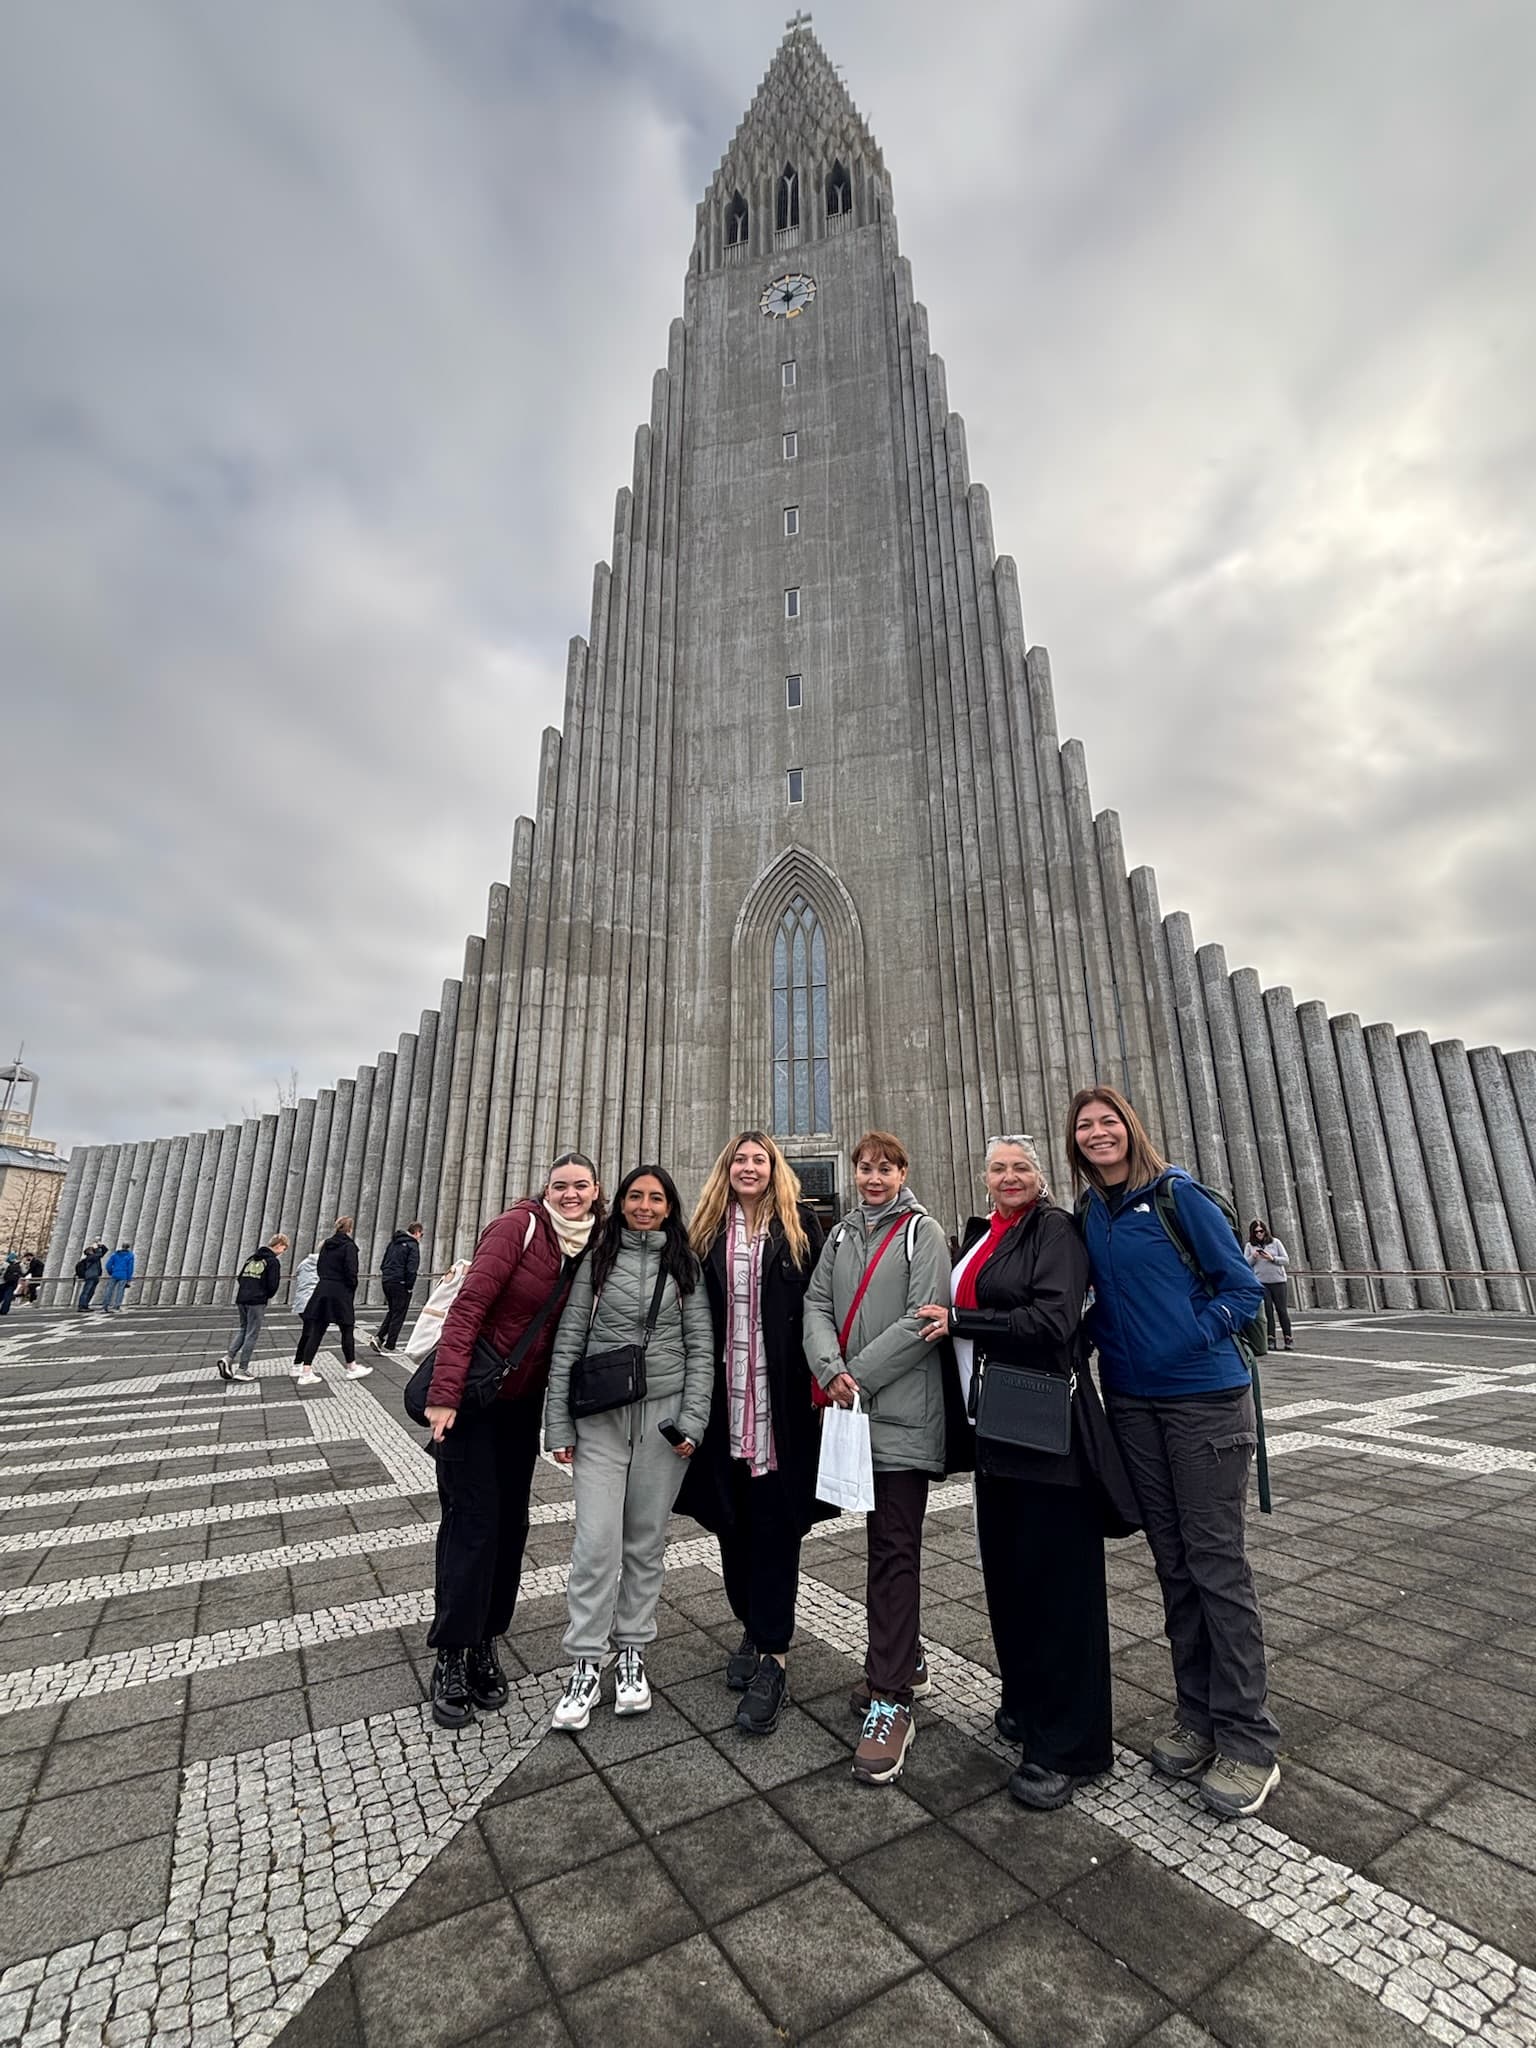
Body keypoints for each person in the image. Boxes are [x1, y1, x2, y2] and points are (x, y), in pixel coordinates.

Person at [1069, 1084, 1280, 1819]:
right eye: (1086, 1127)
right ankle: (1197, 1718)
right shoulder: (1091, 1214)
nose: (1099, 1134)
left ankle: (1249, 1740)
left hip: (1204, 1401)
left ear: (1131, 1127)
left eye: (1108, 1122)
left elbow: (1242, 1291)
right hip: (1133, 1405)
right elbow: (1106, 1304)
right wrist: (1079, 1334)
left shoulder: (1175, 1195)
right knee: (1173, 1563)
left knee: (1217, 1564)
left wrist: (1185, 1338)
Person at [916, 1136, 1110, 1810]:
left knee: (1059, 1590)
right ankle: (1028, 1704)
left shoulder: (1053, 1230)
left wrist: (961, 1319)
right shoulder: (989, 1234)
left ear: (1042, 1176)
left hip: (1044, 1435)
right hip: (995, 1431)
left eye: (1020, 1167)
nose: (1008, 1176)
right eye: (997, 1167)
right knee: (1012, 1578)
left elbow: (1054, 1320)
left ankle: (1070, 1746)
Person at [423, 1154, 603, 1731]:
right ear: (545, 1189)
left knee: (511, 1525)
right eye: (560, 1186)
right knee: (471, 1523)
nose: (570, 1195)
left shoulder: (585, 1245)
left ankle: (486, 1640)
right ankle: (452, 1650)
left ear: (596, 1191)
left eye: (580, 1186)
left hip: (520, 1407)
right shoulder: (518, 1227)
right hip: (473, 1402)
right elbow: (468, 1307)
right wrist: (445, 1392)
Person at [803, 1131, 949, 1786]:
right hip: (856, 1416)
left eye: (885, 1167)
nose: (873, 1177)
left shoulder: (924, 1233)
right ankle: (900, 1656)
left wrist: (851, 1375)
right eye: (864, 1168)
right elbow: (816, 1304)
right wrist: (829, 1369)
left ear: (903, 1171)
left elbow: (926, 1320)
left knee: (893, 1549)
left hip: (900, 1419)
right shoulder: (840, 1236)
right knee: (881, 1543)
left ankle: (891, 1699)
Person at [545, 1164, 712, 1732]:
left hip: (662, 1421)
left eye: (656, 1198)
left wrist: (693, 1420)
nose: (645, 1206)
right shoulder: (599, 1257)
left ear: (670, 1208)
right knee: (595, 1545)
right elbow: (569, 1338)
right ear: (619, 1203)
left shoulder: (684, 1264)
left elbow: (700, 1348)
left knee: (645, 1544)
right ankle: (586, 1662)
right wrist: (559, 1426)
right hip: (600, 1419)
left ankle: (632, 1651)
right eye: (635, 1196)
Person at [680, 1132, 827, 1735]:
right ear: (726, 1169)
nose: (748, 1167)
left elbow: (825, 1306)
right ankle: (750, 1622)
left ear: (774, 1169)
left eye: (758, 1159)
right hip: (723, 1408)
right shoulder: (704, 1235)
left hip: (779, 1406)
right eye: (738, 1159)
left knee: (775, 1526)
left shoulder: (802, 1230)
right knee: (731, 1525)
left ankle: (774, 1653)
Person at [292, 1217, 368, 1385]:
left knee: (317, 1331)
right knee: (347, 1329)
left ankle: (306, 1371)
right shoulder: (349, 1247)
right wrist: (351, 1287)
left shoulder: (326, 1245)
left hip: (322, 1290)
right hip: (340, 1292)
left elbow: (319, 1266)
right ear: (350, 1229)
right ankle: (352, 1367)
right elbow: (351, 1271)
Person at [216, 1234, 290, 1382]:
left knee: (243, 1329)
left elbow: (240, 1277)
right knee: (252, 1334)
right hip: (257, 1301)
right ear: (279, 1244)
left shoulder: (251, 1258)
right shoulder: (272, 1261)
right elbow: (273, 1284)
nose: (283, 1251)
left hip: (242, 1298)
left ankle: (228, 1358)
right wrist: (265, 1294)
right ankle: (242, 1369)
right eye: (284, 1248)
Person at [371, 1222, 425, 1355]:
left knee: (393, 1311)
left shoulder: (393, 1243)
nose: (421, 1237)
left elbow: (383, 1262)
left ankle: (379, 1338)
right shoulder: (412, 1245)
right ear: (417, 1232)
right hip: (400, 1282)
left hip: (387, 1280)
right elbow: (411, 1268)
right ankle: (390, 1345)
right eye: (421, 1234)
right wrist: (409, 1286)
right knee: (399, 1313)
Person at [1246, 1221, 1295, 1351]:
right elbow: (1245, 1263)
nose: (1259, 1234)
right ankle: (1270, 1338)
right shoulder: (1250, 1246)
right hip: (1261, 1282)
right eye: (1256, 1232)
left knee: (1282, 1310)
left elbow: (1286, 1260)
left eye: (1261, 1231)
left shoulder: (1275, 1242)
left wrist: (1272, 1258)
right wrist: (1253, 1257)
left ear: (1265, 1231)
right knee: (1267, 1312)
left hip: (1278, 1281)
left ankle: (1288, 1337)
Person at [100, 1243, 135, 1313]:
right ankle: (116, 1306)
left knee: (109, 1290)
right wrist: (129, 1279)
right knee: (120, 1291)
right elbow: (130, 1268)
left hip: (114, 1274)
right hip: (124, 1275)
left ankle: (105, 1305)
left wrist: (111, 1272)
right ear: (128, 1248)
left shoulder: (115, 1255)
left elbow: (108, 1265)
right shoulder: (130, 1256)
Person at [75, 1243, 106, 1311]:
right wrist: (97, 1248)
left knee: (90, 1291)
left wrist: (101, 1246)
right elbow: (99, 1254)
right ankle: (82, 1306)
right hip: (90, 1276)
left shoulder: (94, 1257)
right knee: (87, 1291)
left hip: (94, 1276)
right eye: (92, 1250)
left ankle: (85, 1305)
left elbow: (104, 1251)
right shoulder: (91, 1257)